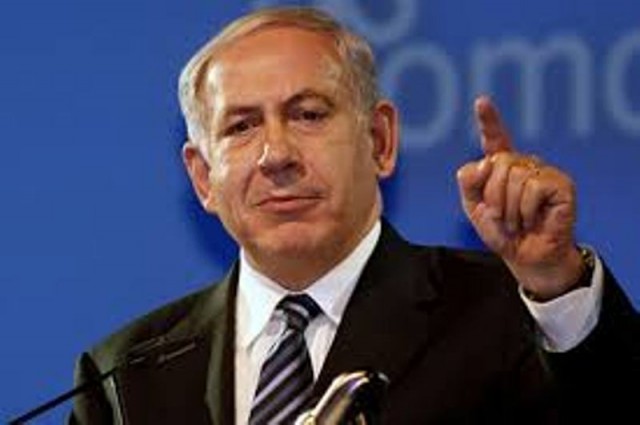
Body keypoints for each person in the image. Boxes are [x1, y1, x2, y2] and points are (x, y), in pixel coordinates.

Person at [69, 6, 639, 425]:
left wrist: (554, 282)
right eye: (241, 126)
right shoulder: (126, 375)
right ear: (202, 178)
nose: (276, 154)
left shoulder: (507, 313)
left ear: (380, 141)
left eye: (308, 114)